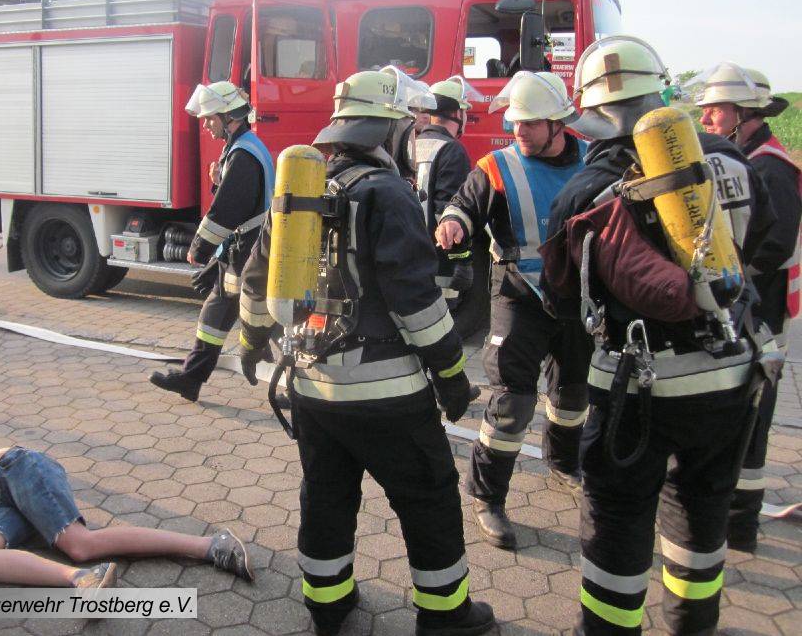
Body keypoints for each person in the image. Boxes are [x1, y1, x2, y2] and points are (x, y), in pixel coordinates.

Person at [237, 68, 493, 636]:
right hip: (388, 395)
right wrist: (452, 376)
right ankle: (446, 615)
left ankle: (327, 606)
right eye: (409, 128)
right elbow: (416, 304)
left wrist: (250, 344)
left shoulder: (300, 192)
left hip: (311, 388)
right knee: (428, 498)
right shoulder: (387, 193)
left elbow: (256, 280)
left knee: (326, 497)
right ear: (390, 130)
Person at [543, 36, 779, 635]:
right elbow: (762, 242)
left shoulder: (583, 191)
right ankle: (692, 624)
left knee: (617, 518)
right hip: (730, 376)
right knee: (702, 510)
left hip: (634, 389)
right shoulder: (731, 160)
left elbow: (563, 301)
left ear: (594, 113)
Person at [434, 71, 592, 549]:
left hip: (578, 300)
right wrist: (454, 223)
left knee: (572, 394)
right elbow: (464, 204)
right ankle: (487, 496)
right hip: (520, 297)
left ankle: (563, 464)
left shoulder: (594, 160)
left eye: (530, 123)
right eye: (515, 122)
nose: (518, 130)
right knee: (512, 402)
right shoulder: (497, 165)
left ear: (558, 123)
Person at [0, 426, 254, 587]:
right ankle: (81, 580)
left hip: (18, 470)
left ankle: (211, 545)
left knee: (80, 544)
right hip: (5, 501)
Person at [696, 62, 800, 552]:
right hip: (749, 307)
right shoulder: (748, 159)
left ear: (743, 113)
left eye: (715, 110)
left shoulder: (770, 168)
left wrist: (725, 280)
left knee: (753, 415)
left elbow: (773, 246)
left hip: (760, 313)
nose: (706, 118)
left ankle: (739, 526)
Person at [150, 82, 274, 402]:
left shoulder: (243, 154)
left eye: (210, 118)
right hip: (246, 250)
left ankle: (298, 384)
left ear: (229, 117)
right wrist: (218, 181)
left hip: (251, 252)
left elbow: (227, 212)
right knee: (218, 314)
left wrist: (200, 248)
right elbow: (239, 205)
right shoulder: (242, 147)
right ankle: (191, 379)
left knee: (271, 322)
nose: (205, 124)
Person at [415, 76, 476, 304]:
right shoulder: (452, 150)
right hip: (438, 264)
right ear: (458, 113)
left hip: (408, 257)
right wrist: (463, 259)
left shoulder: (411, 144)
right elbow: (451, 211)